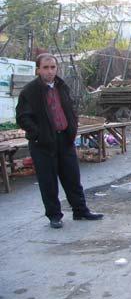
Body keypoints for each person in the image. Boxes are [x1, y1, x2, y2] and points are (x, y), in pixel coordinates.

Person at [15, 53, 103, 229]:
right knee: (48, 181)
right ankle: (54, 216)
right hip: (43, 143)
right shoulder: (30, 91)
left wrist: (72, 128)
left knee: (72, 177)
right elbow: (22, 118)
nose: (49, 71)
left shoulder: (62, 86)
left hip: (64, 139)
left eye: (52, 67)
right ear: (38, 69)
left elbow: (70, 108)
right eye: (45, 68)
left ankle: (80, 210)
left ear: (57, 68)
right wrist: (38, 134)